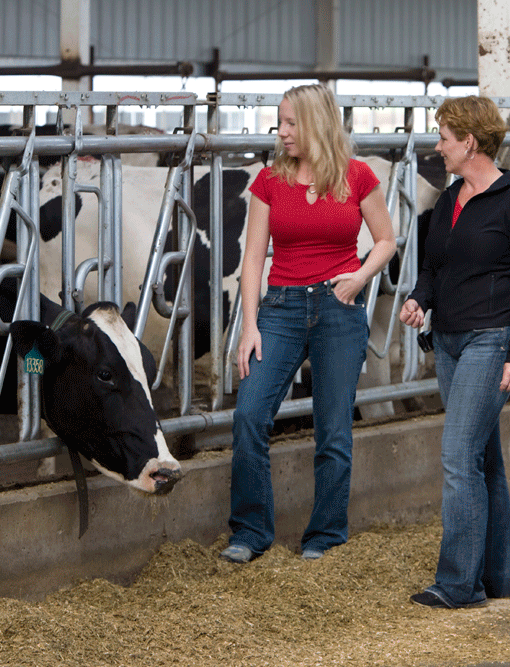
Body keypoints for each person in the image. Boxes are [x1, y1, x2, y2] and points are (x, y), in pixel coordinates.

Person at [220, 84, 396, 564]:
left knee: (333, 428)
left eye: (290, 123)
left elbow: (386, 240)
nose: (282, 132)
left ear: (317, 122)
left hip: (338, 309)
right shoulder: (269, 181)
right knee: (249, 414)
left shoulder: (357, 177)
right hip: (279, 309)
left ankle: (325, 534)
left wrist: (358, 277)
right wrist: (249, 325)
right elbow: (253, 257)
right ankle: (251, 532)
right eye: (280, 122)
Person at [400, 95, 510, 609]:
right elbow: (434, 267)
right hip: (449, 340)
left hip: (491, 340)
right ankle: (497, 577)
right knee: (483, 459)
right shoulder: (448, 201)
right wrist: (420, 298)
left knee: (458, 455)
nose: (437, 147)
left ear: (470, 142)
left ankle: (457, 584)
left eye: (444, 138)